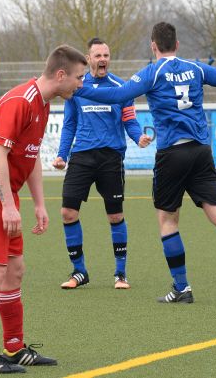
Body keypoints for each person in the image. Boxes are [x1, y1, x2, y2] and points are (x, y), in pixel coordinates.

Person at [76, 22, 216, 303]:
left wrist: (76, 89)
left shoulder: (152, 72)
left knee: (168, 220)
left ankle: (182, 288)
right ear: (177, 45)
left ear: (153, 46)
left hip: (172, 154)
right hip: (201, 151)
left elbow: (117, 95)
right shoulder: (196, 69)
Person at [0, 44, 87, 374]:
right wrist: (7, 205)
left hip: (3, 194)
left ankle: (14, 347)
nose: (81, 84)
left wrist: (39, 204)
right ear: (61, 74)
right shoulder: (20, 101)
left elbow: (30, 157)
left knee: (15, 269)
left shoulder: (42, 104)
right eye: (79, 77)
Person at [52, 38, 151, 290]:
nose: (103, 59)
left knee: (115, 215)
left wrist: (138, 136)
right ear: (89, 59)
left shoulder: (122, 88)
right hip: (82, 157)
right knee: (67, 213)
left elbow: (129, 120)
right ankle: (79, 271)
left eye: (106, 55)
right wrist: (62, 155)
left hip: (110, 158)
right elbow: (70, 124)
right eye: (98, 56)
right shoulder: (76, 88)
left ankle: (120, 274)